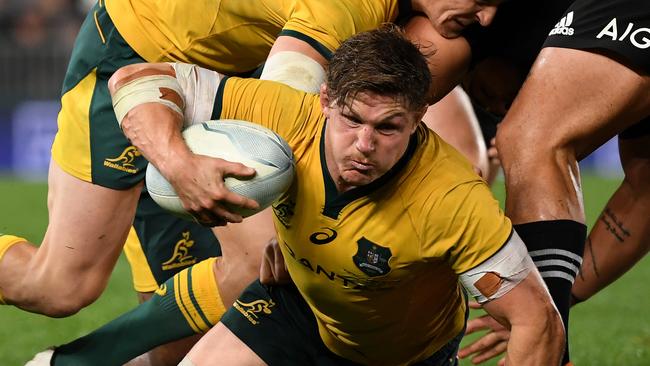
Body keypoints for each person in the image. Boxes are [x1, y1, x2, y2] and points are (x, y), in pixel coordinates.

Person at [1, 0, 501, 364]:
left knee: (212, 306)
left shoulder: (418, 18)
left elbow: (461, 151)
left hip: (231, 71)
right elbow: (286, 103)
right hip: (136, 59)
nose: (487, 18)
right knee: (60, 287)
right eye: (480, 0)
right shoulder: (347, 7)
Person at [109, 26, 563, 366]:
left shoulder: (452, 198)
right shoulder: (286, 113)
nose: (365, 144)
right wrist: (178, 166)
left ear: (419, 115)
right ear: (325, 100)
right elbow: (137, 80)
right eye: (350, 120)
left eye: (388, 127)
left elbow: (536, 321)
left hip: (404, 355)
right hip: (298, 310)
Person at [452, 0, 650, 364]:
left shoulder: (455, 26)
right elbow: (644, 192)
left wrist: (540, 326)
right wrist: (551, 298)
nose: (498, 109)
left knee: (531, 137)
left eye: (481, 95)